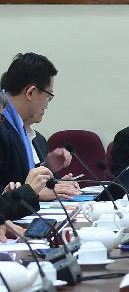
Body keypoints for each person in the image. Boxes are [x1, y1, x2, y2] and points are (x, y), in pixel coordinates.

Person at [0, 54, 78, 200]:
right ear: (31, 93)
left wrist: (53, 178)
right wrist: (32, 193)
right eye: (48, 96)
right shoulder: (3, 128)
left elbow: (25, 177)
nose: (47, 104)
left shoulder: (36, 139)